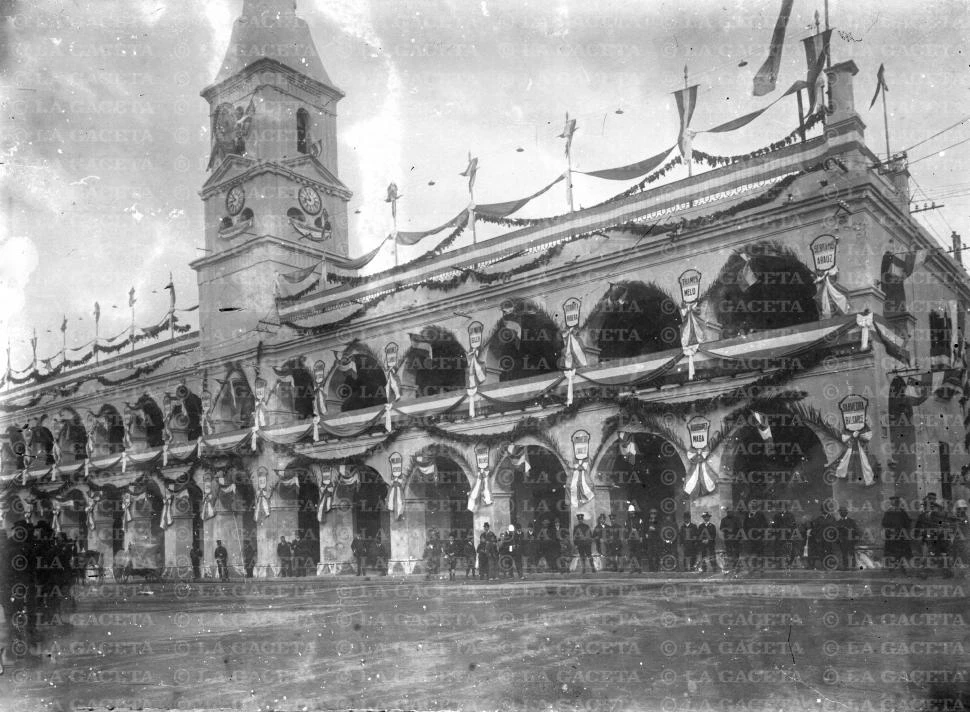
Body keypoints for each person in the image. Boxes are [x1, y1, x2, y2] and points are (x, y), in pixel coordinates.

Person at [882, 496, 911, 574]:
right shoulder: (888, 512)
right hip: (891, 536)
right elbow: (884, 523)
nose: (895, 503)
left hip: (901, 536)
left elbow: (907, 523)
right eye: (893, 501)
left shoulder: (902, 512)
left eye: (896, 501)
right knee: (891, 552)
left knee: (902, 552)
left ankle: (902, 568)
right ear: (891, 503)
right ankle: (892, 567)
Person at [809, 501, 838, 571]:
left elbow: (835, 528)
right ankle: (824, 564)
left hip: (829, 539)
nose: (824, 511)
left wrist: (832, 537)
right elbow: (815, 529)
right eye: (823, 509)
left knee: (829, 552)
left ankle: (828, 565)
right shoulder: (818, 519)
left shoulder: (832, 518)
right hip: (820, 539)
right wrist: (816, 537)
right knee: (820, 552)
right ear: (821, 510)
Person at [741, 502, 768, 572]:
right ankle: (754, 566)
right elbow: (744, 526)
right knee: (752, 552)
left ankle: (761, 567)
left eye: (753, 506)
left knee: (760, 552)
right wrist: (746, 536)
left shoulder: (760, 514)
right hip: (750, 537)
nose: (752, 507)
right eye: (751, 506)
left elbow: (765, 525)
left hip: (759, 536)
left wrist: (763, 535)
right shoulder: (747, 515)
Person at [771, 503, 798, 570]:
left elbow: (794, 525)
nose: (781, 508)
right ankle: (779, 564)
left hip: (788, 535)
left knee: (789, 550)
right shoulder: (776, 515)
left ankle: (789, 564)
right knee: (778, 550)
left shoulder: (790, 515)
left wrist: (792, 533)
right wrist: (774, 533)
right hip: (779, 535)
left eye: (783, 507)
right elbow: (773, 525)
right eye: (780, 507)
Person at [835, 506, 860, 571]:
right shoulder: (838, 522)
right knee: (844, 554)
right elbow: (836, 533)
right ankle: (845, 566)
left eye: (844, 511)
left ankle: (853, 566)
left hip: (851, 540)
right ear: (839, 513)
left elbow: (856, 531)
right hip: (842, 541)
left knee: (852, 553)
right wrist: (838, 540)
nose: (842, 513)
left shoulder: (851, 521)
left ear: (847, 512)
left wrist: (855, 540)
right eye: (841, 511)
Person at [720, 506, 742, 573]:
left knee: (736, 551)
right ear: (727, 512)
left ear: (733, 512)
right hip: (728, 538)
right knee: (729, 551)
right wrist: (727, 529)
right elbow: (721, 528)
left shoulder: (737, 519)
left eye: (731, 512)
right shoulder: (723, 520)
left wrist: (740, 538)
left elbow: (740, 528)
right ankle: (730, 564)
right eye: (728, 512)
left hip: (736, 538)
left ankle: (736, 564)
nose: (729, 513)